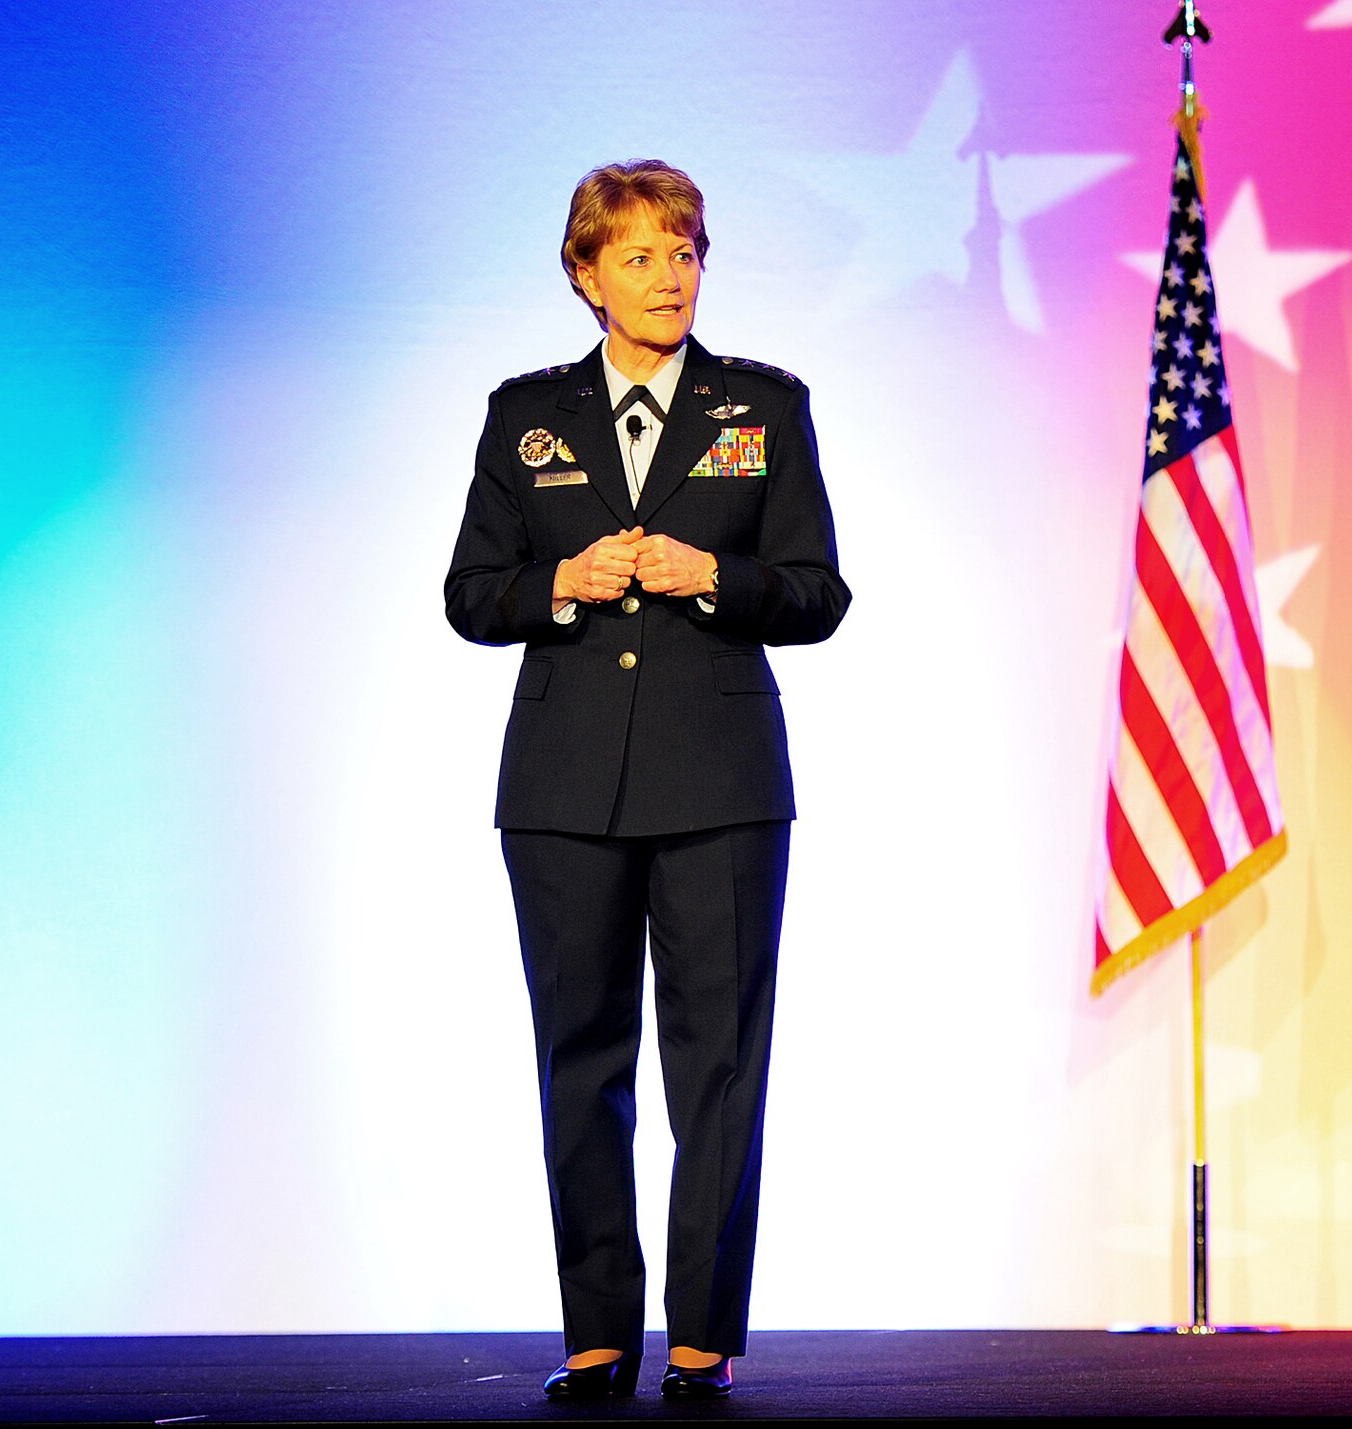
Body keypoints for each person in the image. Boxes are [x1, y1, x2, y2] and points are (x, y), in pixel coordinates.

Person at [444, 159, 850, 1400]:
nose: (667, 277)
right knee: (582, 1058)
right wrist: (561, 582)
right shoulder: (526, 416)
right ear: (585, 275)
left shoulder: (762, 408)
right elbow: (470, 596)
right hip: (562, 790)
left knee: (718, 1064)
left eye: (683, 252)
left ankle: (700, 1335)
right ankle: (596, 1332)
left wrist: (707, 576)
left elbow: (817, 594)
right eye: (639, 256)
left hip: (721, 783)